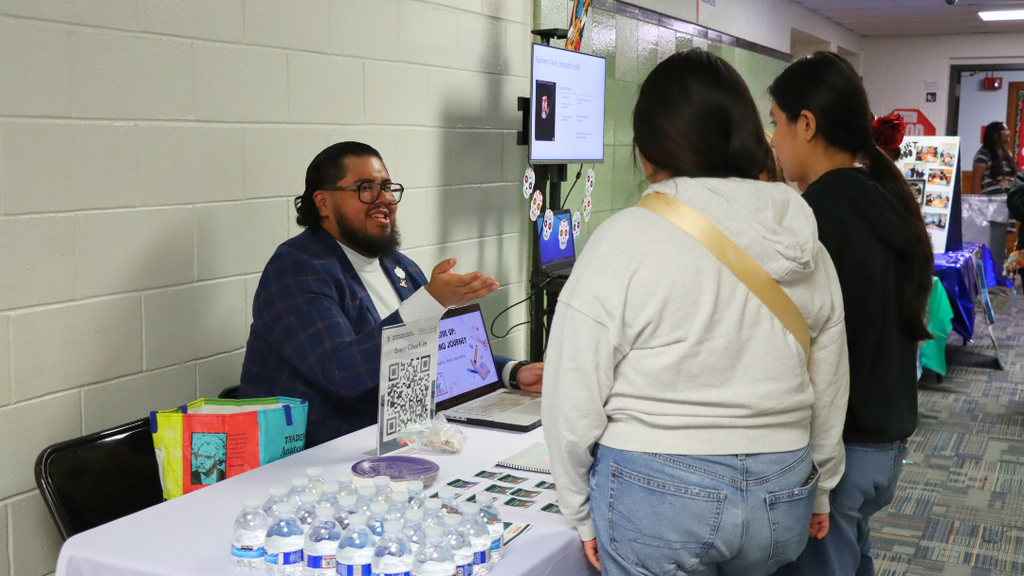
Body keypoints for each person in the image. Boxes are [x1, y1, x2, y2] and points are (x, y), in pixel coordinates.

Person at [542, 49, 850, 576]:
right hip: (783, 488)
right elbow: (829, 378)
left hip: (656, 489)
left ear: (646, 152)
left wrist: (577, 507)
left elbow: (572, 391)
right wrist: (820, 488)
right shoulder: (805, 241)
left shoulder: (624, 239)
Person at [240, 141, 544, 447]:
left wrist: (511, 371)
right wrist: (431, 301)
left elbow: (443, 352)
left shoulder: (397, 265)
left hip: (397, 441)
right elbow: (341, 372)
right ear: (323, 203)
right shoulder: (297, 269)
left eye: (387, 187)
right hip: (319, 453)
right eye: (365, 188)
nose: (384, 198)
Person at [767, 52, 935, 576]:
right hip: (884, 446)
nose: (772, 141)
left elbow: (810, 348)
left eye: (775, 123)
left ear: (807, 125)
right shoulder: (881, 198)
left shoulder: (816, 215)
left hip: (841, 452)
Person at [972, 121, 1015, 195]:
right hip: (990, 202)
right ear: (995, 135)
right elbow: (977, 179)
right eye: (1006, 131)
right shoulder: (983, 153)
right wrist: (978, 202)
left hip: (1008, 201)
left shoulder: (1008, 154)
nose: (1009, 133)